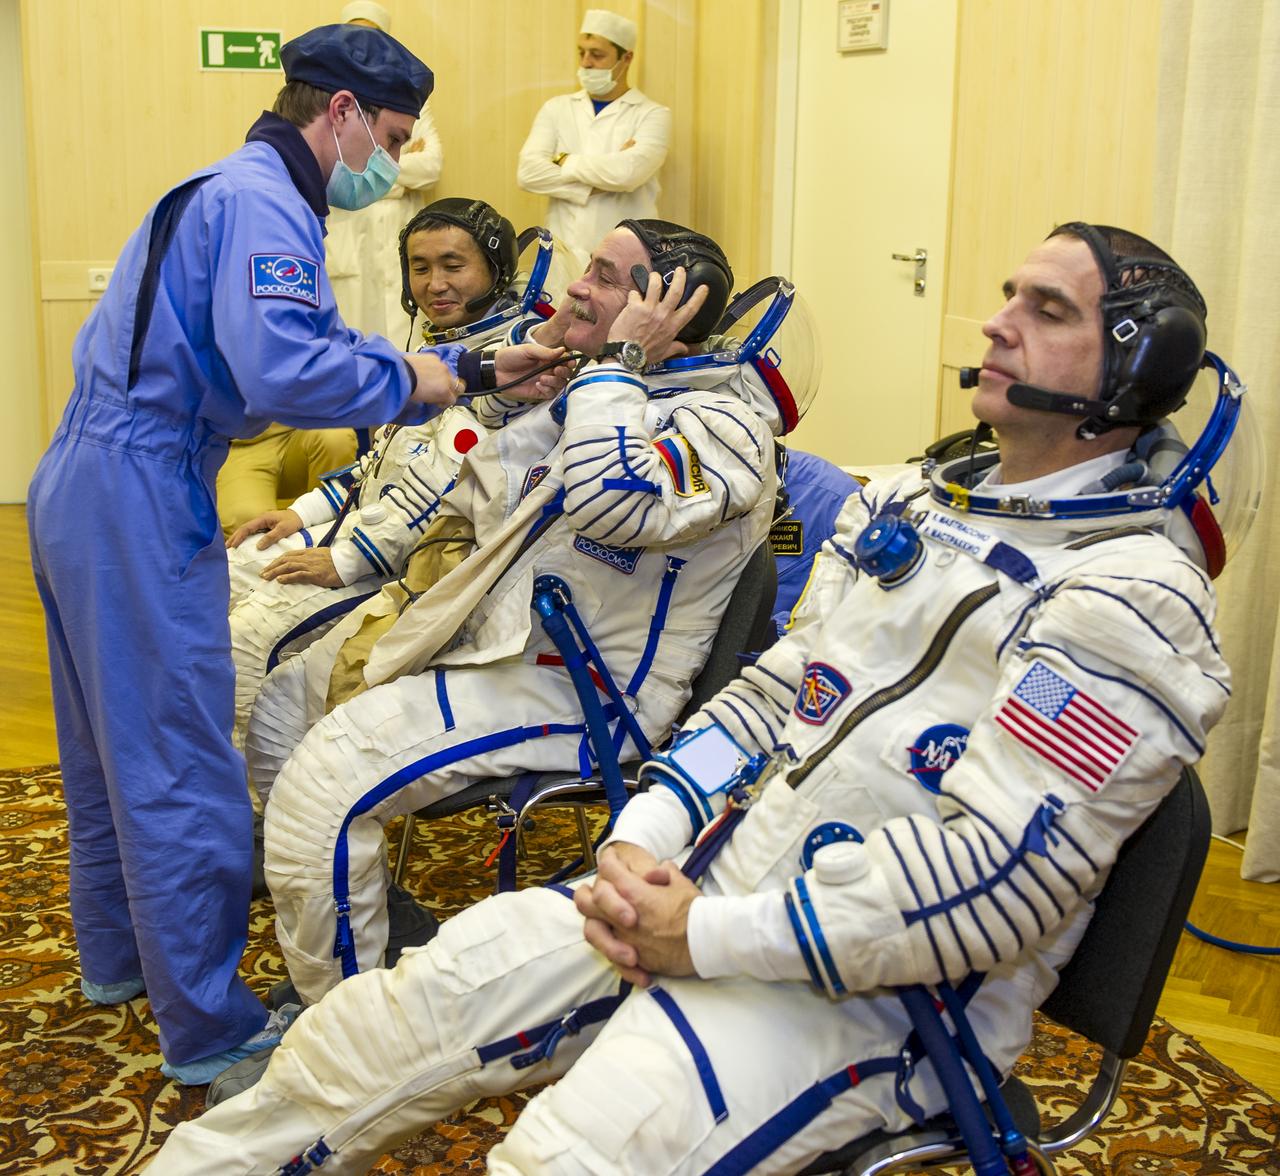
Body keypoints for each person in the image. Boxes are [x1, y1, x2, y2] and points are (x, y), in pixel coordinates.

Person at [149, 222, 1256, 1172]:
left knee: (560, 1155)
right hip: (704, 884)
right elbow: (772, 693)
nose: (994, 322)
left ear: (1122, 376)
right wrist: (641, 842)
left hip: (875, 996)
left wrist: (708, 934)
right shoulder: (916, 503)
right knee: (377, 1033)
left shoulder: (1131, 602)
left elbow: (997, 884)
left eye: (1043, 307)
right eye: (1008, 294)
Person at [26, 22, 561, 1088]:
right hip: (140, 480)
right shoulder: (265, 205)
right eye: (396, 135)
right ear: (343, 112)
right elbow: (285, 373)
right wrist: (437, 378)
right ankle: (209, 1027)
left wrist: (457, 363)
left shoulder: (221, 185)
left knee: (106, 747)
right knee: (180, 761)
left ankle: (124, 964)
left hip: (86, 473)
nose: (398, 161)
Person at [235, 222, 822, 1013]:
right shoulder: (612, 393)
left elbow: (613, 504)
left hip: (587, 695)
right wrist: (526, 390)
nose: (578, 285)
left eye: (606, 276)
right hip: (499, 649)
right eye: (587, 268)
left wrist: (616, 365)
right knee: (279, 714)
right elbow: (476, 488)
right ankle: (370, 936)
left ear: (661, 312)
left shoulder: (725, 429)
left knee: (323, 791)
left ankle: (338, 1023)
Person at [225, 200, 556, 758]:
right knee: (222, 574)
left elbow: (449, 489)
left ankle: (257, 818)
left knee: (245, 640)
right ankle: (217, 785)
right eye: (420, 267)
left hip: (414, 571)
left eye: (454, 265)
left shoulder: (513, 368)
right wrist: (301, 514)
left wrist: (346, 560)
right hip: (367, 536)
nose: (434, 284)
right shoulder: (440, 348)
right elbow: (380, 463)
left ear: (495, 272)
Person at [517, 10, 671, 273]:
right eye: (582, 53)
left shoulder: (652, 114)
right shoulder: (557, 108)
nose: (586, 63)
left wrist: (563, 160)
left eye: (597, 55)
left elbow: (627, 174)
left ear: (627, 58)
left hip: (625, 258)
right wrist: (600, 182)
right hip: (561, 254)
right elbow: (528, 174)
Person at [326, 1, 445, 341]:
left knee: (401, 333)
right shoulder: (327, 100)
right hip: (349, 232)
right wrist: (398, 172)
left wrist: (369, 170)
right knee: (348, 332)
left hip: (396, 229)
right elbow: (333, 168)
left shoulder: (410, 100)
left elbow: (432, 167)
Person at [770, 446, 859, 640]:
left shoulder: (837, 499)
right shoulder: (697, 491)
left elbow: (856, 607)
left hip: (784, 646)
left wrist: (770, 632)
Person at [216, 423, 358, 539]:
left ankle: (327, 538)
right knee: (249, 526)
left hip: (300, 425)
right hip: (243, 442)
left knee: (336, 437)